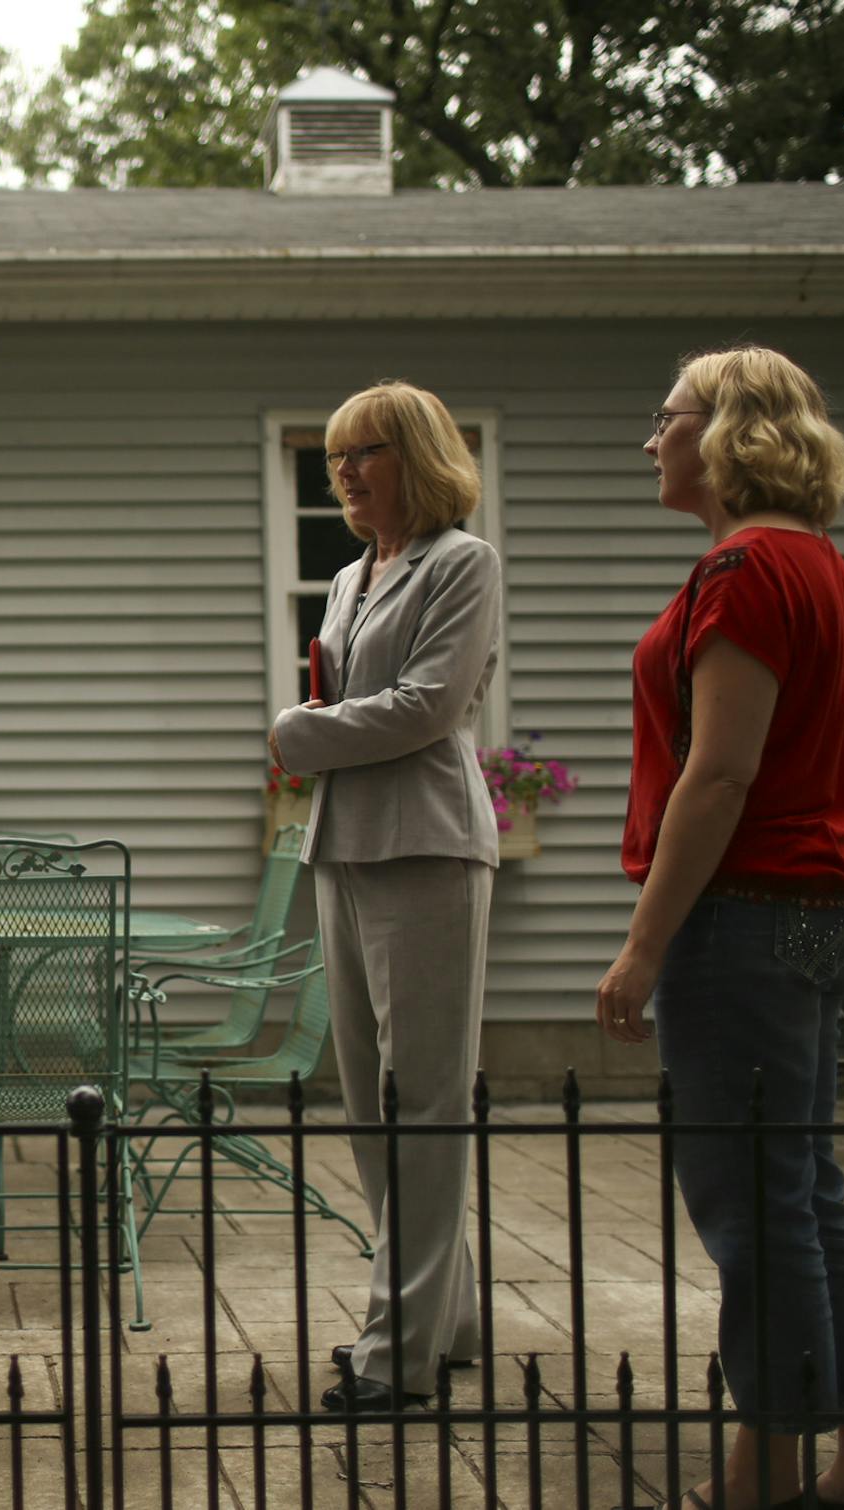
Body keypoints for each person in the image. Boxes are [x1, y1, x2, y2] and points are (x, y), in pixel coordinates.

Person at [597, 347, 844, 1510]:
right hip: (825, 910)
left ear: (726, 434)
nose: (652, 438)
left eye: (667, 416)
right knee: (807, 1189)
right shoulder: (816, 564)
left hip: (750, 915)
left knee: (751, 1199)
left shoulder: (742, 569)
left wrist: (643, 943)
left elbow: (719, 777)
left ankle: (764, 1471)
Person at [268, 381, 501, 1412]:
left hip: (431, 845)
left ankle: (396, 1357)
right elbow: (348, 696)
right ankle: (441, 1319)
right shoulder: (350, 575)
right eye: (335, 458)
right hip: (345, 844)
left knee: (427, 1098)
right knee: (369, 1101)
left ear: (418, 454)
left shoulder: (464, 564)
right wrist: (316, 723)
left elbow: (427, 706)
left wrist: (295, 732)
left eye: (367, 452)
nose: (348, 472)